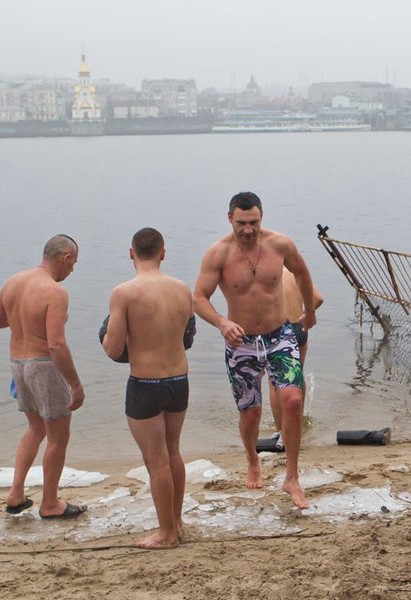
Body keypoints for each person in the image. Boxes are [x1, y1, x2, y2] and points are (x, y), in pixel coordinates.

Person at [194, 191, 317, 509]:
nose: (248, 229)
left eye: (254, 222)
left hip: (281, 336)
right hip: (241, 342)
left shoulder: (280, 244)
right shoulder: (218, 254)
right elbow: (199, 298)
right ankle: (252, 459)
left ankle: (292, 477)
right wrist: (221, 323)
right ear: (229, 219)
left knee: (293, 401)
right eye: (241, 223)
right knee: (250, 412)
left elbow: (302, 272)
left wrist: (310, 312)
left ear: (262, 217)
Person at [102, 228, 194, 549]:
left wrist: (108, 333)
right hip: (179, 381)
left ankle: (166, 534)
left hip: (146, 384)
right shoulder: (182, 289)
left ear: (131, 254)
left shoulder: (124, 293)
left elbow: (113, 349)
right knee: (173, 453)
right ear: (163, 253)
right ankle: (176, 523)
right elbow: (187, 338)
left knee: (157, 462)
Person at [0, 234, 87, 519]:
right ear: (65, 258)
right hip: (43, 366)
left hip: (18, 364)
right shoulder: (55, 292)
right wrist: (75, 384)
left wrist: (23, 320)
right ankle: (50, 503)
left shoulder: (14, 281)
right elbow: (56, 345)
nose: (72, 270)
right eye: (73, 264)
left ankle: (16, 494)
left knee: (36, 428)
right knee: (58, 436)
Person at [267, 268, 324, 448]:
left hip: (280, 330)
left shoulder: (267, 273)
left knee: (275, 382)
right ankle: (297, 421)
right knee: (297, 376)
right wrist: (307, 314)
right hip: (299, 328)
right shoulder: (294, 272)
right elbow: (318, 299)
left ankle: (281, 430)